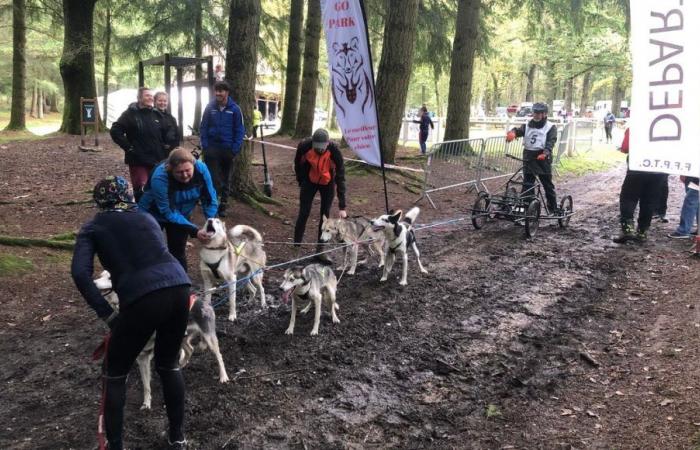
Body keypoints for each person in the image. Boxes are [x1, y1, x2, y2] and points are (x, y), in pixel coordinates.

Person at [71, 176, 191, 450]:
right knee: (169, 364)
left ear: (99, 201)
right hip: (180, 286)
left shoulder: (92, 227)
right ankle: (177, 438)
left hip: (141, 298)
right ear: (128, 196)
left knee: (115, 371)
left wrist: (107, 314)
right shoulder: (146, 218)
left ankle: (115, 446)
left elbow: (80, 273)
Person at [139, 148, 218, 271]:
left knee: (178, 251)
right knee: (153, 250)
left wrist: (211, 223)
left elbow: (209, 198)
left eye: (187, 170)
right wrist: (195, 231)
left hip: (181, 212)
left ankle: (182, 286)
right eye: (179, 172)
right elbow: (168, 211)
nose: (185, 175)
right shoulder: (160, 177)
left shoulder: (201, 169)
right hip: (153, 213)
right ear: (170, 169)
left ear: (193, 164)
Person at [110, 87, 173, 201]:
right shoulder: (130, 114)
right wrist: (129, 148)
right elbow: (115, 131)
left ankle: (157, 216)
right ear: (139, 98)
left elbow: (167, 130)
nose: (150, 98)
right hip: (139, 160)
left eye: (151, 96)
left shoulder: (156, 114)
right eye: (147, 95)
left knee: (158, 187)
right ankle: (141, 216)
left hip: (157, 160)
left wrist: (168, 144)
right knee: (142, 190)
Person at [294, 128, 347, 261]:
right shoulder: (304, 146)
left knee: (325, 215)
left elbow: (341, 177)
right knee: (303, 213)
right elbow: (297, 164)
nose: (320, 150)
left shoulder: (334, 152)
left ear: (327, 143)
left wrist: (342, 206)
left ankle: (320, 250)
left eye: (322, 148)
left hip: (327, 184)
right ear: (313, 143)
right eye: (317, 147)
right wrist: (301, 181)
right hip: (309, 181)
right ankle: (295, 249)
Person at [199, 80, 245, 218]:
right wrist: (205, 146)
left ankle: (223, 205)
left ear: (227, 92)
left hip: (227, 150)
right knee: (212, 178)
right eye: (217, 90)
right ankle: (212, 203)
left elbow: (240, 130)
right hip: (211, 149)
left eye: (221, 91)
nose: (218, 93)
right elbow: (203, 127)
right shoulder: (209, 107)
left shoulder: (235, 109)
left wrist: (234, 149)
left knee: (226, 178)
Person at [612, 128, 665, 243]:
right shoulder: (669, 128)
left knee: (628, 198)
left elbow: (625, 147)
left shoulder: (635, 126)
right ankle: (642, 232)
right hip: (659, 169)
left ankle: (628, 230)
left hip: (637, 168)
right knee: (649, 201)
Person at [506, 102, 559, 213]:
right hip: (529, 156)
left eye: (539, 113)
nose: (536, 115)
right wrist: (513, 133)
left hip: (542, 159)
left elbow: (551, 142)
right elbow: (519, 131)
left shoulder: (550, 127)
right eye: (535, 112)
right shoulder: (528, 125)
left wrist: (545, 153)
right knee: (528, 184)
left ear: (544, 114)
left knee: (547, 184)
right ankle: (528, 209)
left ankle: (553, 208)